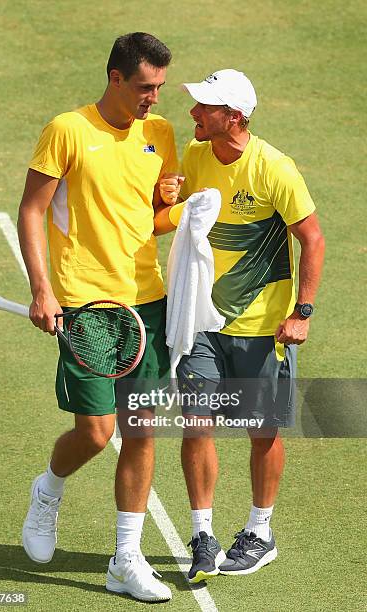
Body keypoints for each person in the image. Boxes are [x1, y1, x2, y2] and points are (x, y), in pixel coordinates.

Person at [17, 32, 178, 602]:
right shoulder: (68, 130)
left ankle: (125, 560)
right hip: (86, 302)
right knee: (96, 430)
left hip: (146, 302)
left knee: (140, 430)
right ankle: (49, 489)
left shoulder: (159, 134)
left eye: (158, 87)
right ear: (115, 78)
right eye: (144, 86)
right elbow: (33, 210)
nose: (153, 98)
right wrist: (42, 289)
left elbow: (153, 219)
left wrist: (176, 206)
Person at [155, 68, 325, 583]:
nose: (193, 114)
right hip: (203, 322)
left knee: (261, 431)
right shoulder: (196, 155)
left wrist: (302, 313)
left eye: (204, 107)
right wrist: (166, 197)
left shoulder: (275, 168)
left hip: (262, 328)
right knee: (197, 423)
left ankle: (259, 531)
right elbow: (175, 214)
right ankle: (203, 533)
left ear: (234, 116)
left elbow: (311, 239)